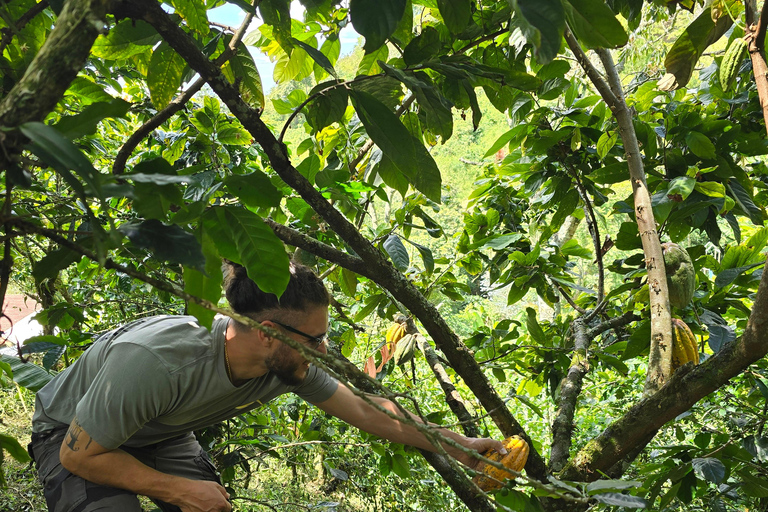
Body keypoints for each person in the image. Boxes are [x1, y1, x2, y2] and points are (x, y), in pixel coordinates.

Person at [29, 260, 503, 512]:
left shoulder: (288, 363)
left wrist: (456, 445)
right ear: (265, 331)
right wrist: (177, 490)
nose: (323, 349)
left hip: (159, 430)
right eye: (314, 339)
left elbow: (366, 410)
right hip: (72, 434)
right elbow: (78, 455)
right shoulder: (158, 361)